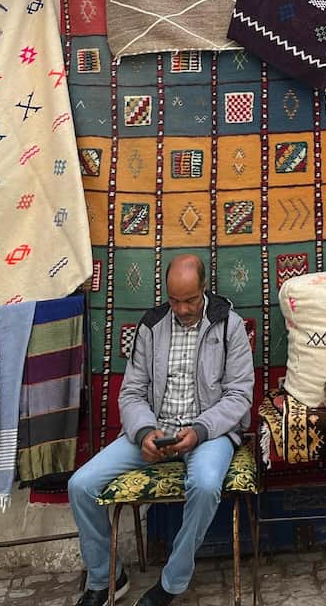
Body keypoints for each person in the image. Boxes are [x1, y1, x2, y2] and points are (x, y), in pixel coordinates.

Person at [68, 255, 254, 606]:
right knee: (80, 485)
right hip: (156, 430)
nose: (182, 309)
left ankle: (172, 581)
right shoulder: (152, 326)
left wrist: (199, 430)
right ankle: (106, 575)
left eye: (190, 300)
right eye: (174, 301)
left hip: (208, 433)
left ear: (204, 289)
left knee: (206, 484)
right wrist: (143, 433)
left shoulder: (228, 325)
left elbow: (239, 395)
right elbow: (133, 392)